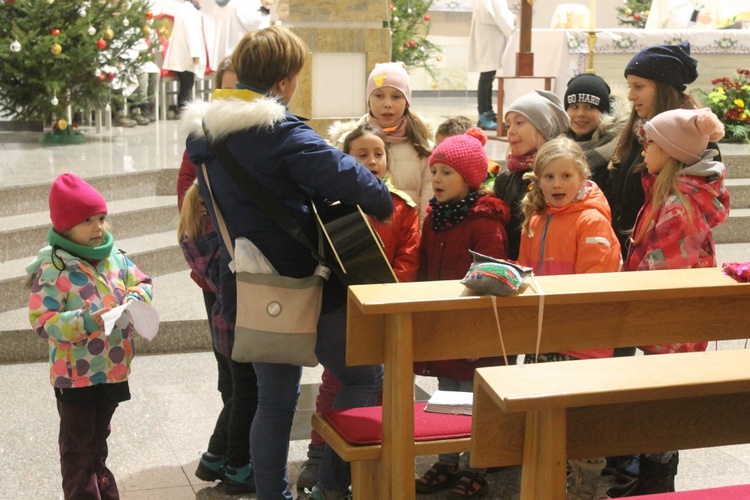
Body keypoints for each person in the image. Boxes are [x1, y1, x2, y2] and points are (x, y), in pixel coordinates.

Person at [183, 26, 393, 500]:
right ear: (281, 83)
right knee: (364, 377)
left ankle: (271, 495)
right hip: (307, 281)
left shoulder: (207, 138)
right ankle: (331, 488)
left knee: (274, 401)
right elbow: (363, 186)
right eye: (296, 77)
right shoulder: (281, 133)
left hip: (254, 286)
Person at [608, 109, 730, 498]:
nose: (643, 149)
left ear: (673, 152)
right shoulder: (666, 192)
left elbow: (661, 268)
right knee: (656, 406)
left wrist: (624, 290)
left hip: (672, 321)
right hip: (668, 320)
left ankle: (657, 487)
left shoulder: (678, 205)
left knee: (662, 412)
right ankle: (649, 481)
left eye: (651, 143)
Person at [297, 124, 420, 494]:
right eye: (361, 155)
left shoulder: (401, 206)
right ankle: (321, 455)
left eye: (378, 154)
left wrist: (385, 299)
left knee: (387, 384)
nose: (371, 161)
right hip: (342, 310)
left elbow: (407, 259)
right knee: (337, 382)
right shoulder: (331, 206)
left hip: (387, 308)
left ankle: (376, 455)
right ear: (344, 161)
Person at [26, 173, 153, 500]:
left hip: (111, 369)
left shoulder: (116, 258)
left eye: (101, 218)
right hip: (76, 377)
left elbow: (142, 282)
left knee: (97, 443)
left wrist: (135, 300)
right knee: (77, 451)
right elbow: (43, 321)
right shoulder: (54, 269)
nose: (99, 227)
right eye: (87, 221)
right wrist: (83, 321)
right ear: (66, 227)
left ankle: (103, 491)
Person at [515, 137, 620, 499]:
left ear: (582, 177)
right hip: (544, 334)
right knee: (545, 417)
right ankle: (548, 483)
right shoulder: (536, 219)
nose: (557, 185)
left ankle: (584, 487)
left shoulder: (591, 221)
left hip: (582, 340)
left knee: (581, 422)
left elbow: (595, 284)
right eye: (548, 176)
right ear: (537, 180)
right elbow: (525, 270)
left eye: (565, 176)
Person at [414, 129, 510, 500]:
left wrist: (479, 332)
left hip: (474, 329)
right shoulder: (435, 218)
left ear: (470, 180)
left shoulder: (485, 224)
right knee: (446, 394)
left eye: (446, 172)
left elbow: (490, 280)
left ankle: (476, 466)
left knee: (474, 398)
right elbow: (423, 270)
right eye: (434, 170)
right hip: (443, 322)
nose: (436, 179)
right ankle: (448, 459)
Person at [176, 56, 257, 494]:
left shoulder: (258, 140)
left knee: (241, 380)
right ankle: (230, 454)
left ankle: (223, 452)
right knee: (236, 380)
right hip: (221, 281)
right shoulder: (203, 143)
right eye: (226, 91)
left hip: (239, 278)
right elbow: (187, 202)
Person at [606, 42, 705, 261]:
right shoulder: (637, 130)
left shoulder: (690, 138)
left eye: (638, 87)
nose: (630, 96)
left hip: (658, 257)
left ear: (662, 88)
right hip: (628, 252)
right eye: (629, 86)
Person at [331, 61, 434, 225]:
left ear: (407, 101)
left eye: (396, 96)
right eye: (379, 95)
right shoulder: (348, 142)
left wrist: (418, 244)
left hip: (408, 242)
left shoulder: (423, 148)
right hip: (363, 239)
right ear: (368, 99)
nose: (387, 104)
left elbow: (428, 207)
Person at [494, 90, 570, 260]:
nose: (511, 131)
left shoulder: (564, 175)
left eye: (519, 122)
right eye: (508, 125)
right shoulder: (505, 179)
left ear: (543, 129)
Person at [564, 73, 627, 190]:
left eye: (590, 107)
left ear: (604, 113)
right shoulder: (556, 148)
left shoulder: (620, 151)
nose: (580, 114)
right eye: (574, 106)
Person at [467, 0, 516, 131]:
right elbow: (491, 12)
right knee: (486, 76)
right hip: (489, 36)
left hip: (491, 35)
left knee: (488, 76)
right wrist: (511, 20)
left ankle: (488, 112)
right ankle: (484, 116)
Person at [162, 0, 207, 118]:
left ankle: (182, 107)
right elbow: (191, 33)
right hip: (186, 54)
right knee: (187, 82)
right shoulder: (189, 11)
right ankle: (182, 108)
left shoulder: (187, 9)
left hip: (184, 54)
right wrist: (195, 53)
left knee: (186, 82)